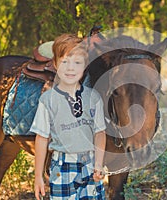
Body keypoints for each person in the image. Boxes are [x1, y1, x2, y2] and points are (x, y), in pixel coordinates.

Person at [31, 33, 106, 200]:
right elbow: (42, 138)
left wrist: (99, 164)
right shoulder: (47, 100)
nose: (71, 68)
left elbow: (99, 133)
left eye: (77, 62)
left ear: (85, 65)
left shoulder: (94, 98)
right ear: (56, 64)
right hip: (62, 166)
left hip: (90, 164)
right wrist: (38, 176)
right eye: (65, 62)